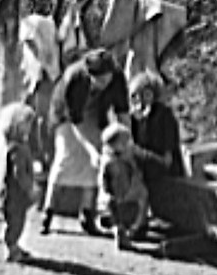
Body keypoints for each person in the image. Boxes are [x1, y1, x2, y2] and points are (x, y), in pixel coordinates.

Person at [41, 48, 129, 236]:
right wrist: (91, 151)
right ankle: (48, 211)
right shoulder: (74, 78)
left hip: (95, 114)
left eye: (107, 79)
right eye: (99, 80)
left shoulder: (118, 78)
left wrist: (125, 143)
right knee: (66, 157)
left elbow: (123, 113)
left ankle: (87, 214)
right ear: (89, 75)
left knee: (95, 165)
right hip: (67, 117)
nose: (104, 84)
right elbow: (75, 122)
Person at [0, 102, 38, 262]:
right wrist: (29, 188)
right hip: (14, 193)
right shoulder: (16, 148)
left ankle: (14, 245)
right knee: (15, 221)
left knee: (17, 220)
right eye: (27, 125)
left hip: (13, 193)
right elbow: (18, 173)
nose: (29, 129)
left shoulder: (12, 146)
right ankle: (11, 248)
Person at [129, 70, 185, 191]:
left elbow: (167, 160)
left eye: (139, 95)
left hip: (167, 177)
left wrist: (139, 154)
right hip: (146, 176)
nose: (136, 101)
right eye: (133, 97)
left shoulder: (164, 115)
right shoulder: (133, 118)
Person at [97, 121, 149, 250]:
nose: (128, 145)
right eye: (125, 142)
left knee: (120, 221)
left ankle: (123, 236)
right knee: (138, 202)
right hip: (123, 196)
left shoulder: (109, 158)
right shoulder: (115, 162)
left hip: (116, 197)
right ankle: (132, 229)